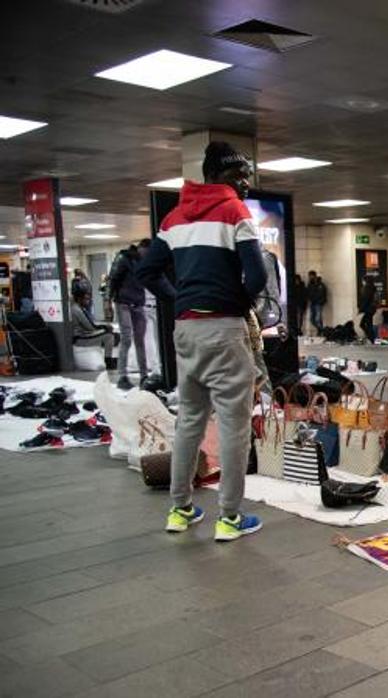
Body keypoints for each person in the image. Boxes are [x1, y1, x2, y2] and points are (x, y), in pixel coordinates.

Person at [135, 140, 267, 542]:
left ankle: (180, 509)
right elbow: (257, 276)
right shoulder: (234, 212)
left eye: (246, 176)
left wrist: (181, 297)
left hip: (186, 330)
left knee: (188, 420)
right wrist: (238, 300)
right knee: (233, 423)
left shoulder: (174, 218)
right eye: (237, 175)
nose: (244, 183)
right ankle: (229, 517)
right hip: (225, 328)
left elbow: (147, 272)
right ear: (217, 175)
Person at [108, 239, 151, 390]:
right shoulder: (123, 258)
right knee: (126, 339)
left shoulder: (143, 261)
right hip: (123, 303)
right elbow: (113, 279)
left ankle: (144, 375)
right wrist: (108, 300)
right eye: (147, 252)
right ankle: (122, 376)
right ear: (141, 248)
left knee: (140, 340)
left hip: (138, 303)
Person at [69, 288, 115, 367]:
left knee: (107, 333)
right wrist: (104, 327)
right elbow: (90, 327)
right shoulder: (77, 310)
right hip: (81, 338)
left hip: (82, 335)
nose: (88, 301)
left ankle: (108, 359)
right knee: (109, 336)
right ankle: (108, 361)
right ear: (79, 299)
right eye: (86, 299)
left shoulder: (78, 308)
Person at [359, 277, 378, 343]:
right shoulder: (373, 288)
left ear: (365, 281)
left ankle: (371, 338)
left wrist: (361, 309)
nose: (362, 282)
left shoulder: (367, 288)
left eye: (363, 281)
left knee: (364, 324)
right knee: (367, 324)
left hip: (368, 309)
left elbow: (366, 300)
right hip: (371, 309)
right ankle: (371, 338)